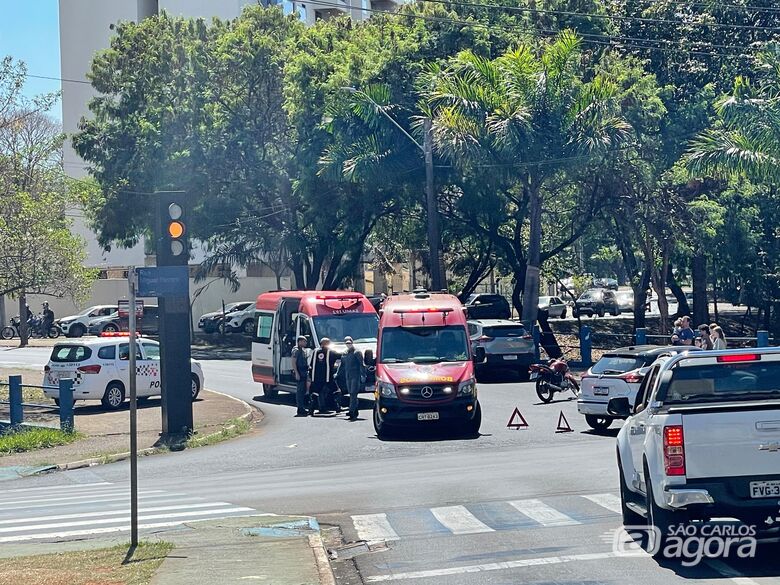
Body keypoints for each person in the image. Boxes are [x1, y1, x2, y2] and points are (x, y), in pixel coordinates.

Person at [309, 337, 340, 416]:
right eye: (328, 343)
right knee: (336, 391)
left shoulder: (315, 351)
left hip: (316, 377)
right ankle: (337, 408)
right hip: (327, 377)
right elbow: (340, 356)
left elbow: (311, 364)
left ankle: (311, 410)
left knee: (315, 393)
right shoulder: (330, 352)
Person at [338, 336, 366, 421]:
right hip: (348, 375)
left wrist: (363, 375)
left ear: (352, 342)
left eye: (349, 343)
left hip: (355, 375)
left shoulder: (357, 352)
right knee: (351, 393)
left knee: (353, 393)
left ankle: (351, 411)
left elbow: (362, 365)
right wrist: (337, 373)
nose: (348, 344)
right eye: (346, 343)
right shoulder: (345, 353)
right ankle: (355, 410)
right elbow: (341, 364)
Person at [291, 335, 310, 417]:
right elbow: (293, 362)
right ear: (300, 342)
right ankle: (300, 408)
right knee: (300, 391)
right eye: (304, 341)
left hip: (304, 371)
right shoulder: (296, 350)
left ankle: (302, 407)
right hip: (299, 371)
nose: (306, 343)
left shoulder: (303, 350)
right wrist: (296, 373)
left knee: (303, 390)